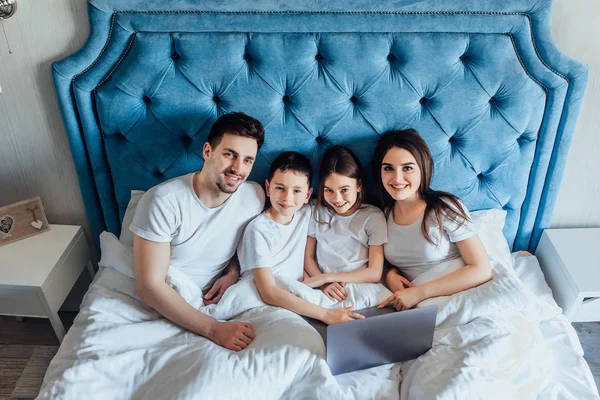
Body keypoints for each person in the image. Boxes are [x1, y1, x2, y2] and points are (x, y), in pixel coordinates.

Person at [130, 112, 265, 352]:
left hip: (217, 299)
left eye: (248, 160)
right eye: (229, 154)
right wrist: (214, 329)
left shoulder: (254, 197)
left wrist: (233, 270)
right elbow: (150, 286)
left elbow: (244, 241)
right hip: (169, 297)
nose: (238, 168)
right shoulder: (163, 201)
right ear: (207, 152)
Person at [237, 152, 364, 325]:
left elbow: (342, 213)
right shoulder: (258, 230)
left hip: (297, 291)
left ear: (307, 194)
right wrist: (326, 315)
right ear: (268, 188)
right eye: (280, 188)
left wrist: (324, 282)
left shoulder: (307, 212)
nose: (288, 198)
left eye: (297, 191)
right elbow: (268, 291)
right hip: (262, 295)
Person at [372, 129, 493, 311]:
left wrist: (420, 292)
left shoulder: (444, 208)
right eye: (388, 168)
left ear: (423, 168)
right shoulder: (384, 215)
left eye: (407, 168)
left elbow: (481, 269)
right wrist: (390, 274)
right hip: (420, 305)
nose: (397, 178)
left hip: (459, 295)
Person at [302, 146, 387, 302]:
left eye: (344, 190)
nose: (337, 199)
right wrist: (323, 284)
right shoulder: (316, 211)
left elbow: (375, 272)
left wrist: (327, 278)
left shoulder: (373, 217)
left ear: (358, 185)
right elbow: (308, 258)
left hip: (362, 285)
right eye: (329, 190)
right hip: (325, 288)